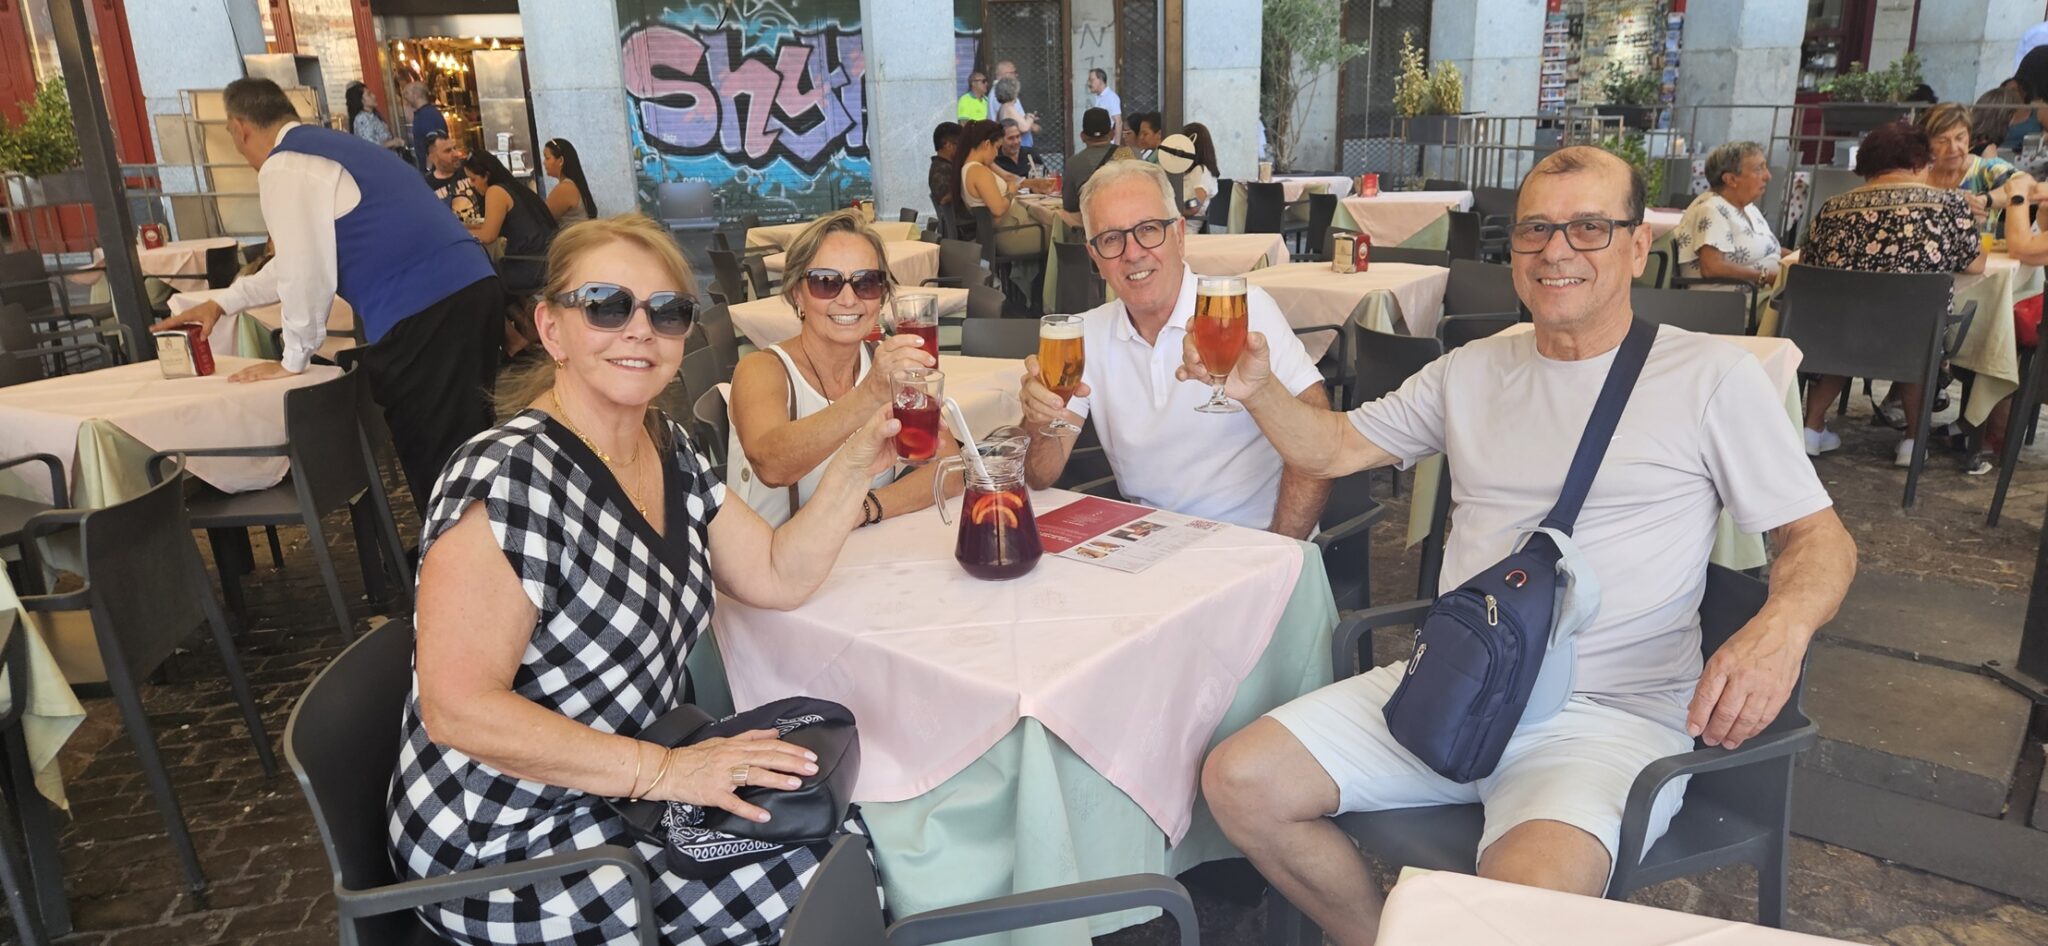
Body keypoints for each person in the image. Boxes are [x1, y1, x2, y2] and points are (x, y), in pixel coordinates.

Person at [1196, 146, 1856, 946]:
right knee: (1241, 781)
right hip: (1455, 685)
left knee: (1515, 912)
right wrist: (1258, 390)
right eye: (1535, 229)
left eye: (1589, 227)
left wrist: (1781, 629)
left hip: (1604, 719)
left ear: (1638, 246)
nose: (1556, 250)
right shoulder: (1470, 370)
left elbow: (1817, 538)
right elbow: (1332, 448)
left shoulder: (1710, 378)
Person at [391, 212, 894, 946]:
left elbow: (775, 573)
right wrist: (667, 772)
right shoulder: (507, 478)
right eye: (605, 305)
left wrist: (854, 465)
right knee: (817, 881)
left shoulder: (669, 447)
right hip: (508, 835)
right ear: (552, 329)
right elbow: (459, 710)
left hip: (629, 789)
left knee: (850, 831)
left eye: (666, 311)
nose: (640, 330)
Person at [149, 78, 502, 515]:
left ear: (240, 127)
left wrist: (292, 359)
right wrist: (223, 303)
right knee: (466, 445)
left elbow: (303, 271)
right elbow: (298, 260)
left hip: (425, 307)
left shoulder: (284, 165)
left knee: (438, 458)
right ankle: (480, 543)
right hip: (472, 286)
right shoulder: (334, 147)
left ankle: (461, 550)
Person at [1018, 160, 1330, 536]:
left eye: (1148, 229)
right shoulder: (1084, 335)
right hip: (1146, 545)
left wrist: (1284, 546)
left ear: (1180, 235)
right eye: (1112, 238)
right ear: (1095, 257)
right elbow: (1040, 474)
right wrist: (1038, 420)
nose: (1133, 252)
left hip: (1250, 540)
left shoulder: (1242, 310)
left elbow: (1319, 437)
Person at [729, 211, 949, 526]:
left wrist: (863, 509)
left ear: (882, 296)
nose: (848, 299)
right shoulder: (762, 369)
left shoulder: (884, 364)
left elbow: (949, 466)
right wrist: (869, 395)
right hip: (772, 553)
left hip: (861, 548)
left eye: (866, 282)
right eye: (825, 282)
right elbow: (771, 465)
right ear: (797, 294)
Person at [1798, 120, 1984, 465]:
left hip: (1834, 336)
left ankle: (1810, 429)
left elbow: (1808, 265)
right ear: (1918, 161)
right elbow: (1974, 264)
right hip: (1912, 338)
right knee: (1917, 328)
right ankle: (1913, 441)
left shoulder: (1832, 208)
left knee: (1847, 319)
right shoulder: (1950, 205)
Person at [462, 150, 560, 361]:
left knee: (483, 281)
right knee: (497, 274)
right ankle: (528, 328)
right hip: (546, 260)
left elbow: (488, 235)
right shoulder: (515, 188)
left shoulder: (495, 191)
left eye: (473, 179)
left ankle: (514, 339)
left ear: (486, 175)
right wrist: (467, 228)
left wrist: (458, 231)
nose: (472, 185)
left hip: (531, 266)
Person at [1672, 141, 1787, 292]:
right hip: (1733, 300)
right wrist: (1766, 277)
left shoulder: (1748, 208)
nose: (1768, 176)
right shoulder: (1712, 209)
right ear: (1731, 180)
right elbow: (1712, 268)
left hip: (1762, 292)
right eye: (1759, 169)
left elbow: (1770, 249)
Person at [958, 119, 1048, 259]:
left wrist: (1032, 183)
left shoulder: (973, 167)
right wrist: (1011, 191)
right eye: (997, 147)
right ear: (987, 144)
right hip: (1010, 233)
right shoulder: (978, 171)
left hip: (1010, 228)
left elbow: (1008, 177)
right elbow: (998, 209)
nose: (996, 153)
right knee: (1061, 233)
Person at [1064, 108, 1118, 215]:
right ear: (1112, 134)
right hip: (1128, 218)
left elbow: (1069, 205)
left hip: (1092, 220)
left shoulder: (1073, 163)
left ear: (1082, 136)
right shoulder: (1128, 154)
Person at [542, 138, 597, 225]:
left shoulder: (565, 189)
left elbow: (541, 220)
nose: (544, 162)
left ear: (561, 160)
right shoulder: (572, 185)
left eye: (547, 158)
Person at [423, 132, 479, 217]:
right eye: (448, 151)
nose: (456, 154)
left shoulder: (470, 170)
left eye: (454, 148)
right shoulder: (426, 187)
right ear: (432, 157)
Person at [1176, 123, 1221, 219]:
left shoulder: (1200, 171)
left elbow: (1196, 203)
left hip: (1187, 224)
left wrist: (1176, 208)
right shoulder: (1193, 171)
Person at [345, 81, 404, 155]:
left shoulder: (372, 115)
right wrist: (391, 143)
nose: (374, 96)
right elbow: (369, 146)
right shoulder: (362, 119)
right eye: (369, 94)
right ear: (361, 100)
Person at [403, 81, 447, 171]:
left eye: (407, 93)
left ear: (415, 94)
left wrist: (428, 169)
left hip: (435, 169)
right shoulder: (424, 113)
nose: (405, 97)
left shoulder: (426, 115)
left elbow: (434, 143)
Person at [929, 121, 964, 234]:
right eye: (961, 145)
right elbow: (944, 199)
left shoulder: (945, 167)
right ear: (948, 145)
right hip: (965, 230)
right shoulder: (941, 170)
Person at [994, 61, 1036, 152]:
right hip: (1020, 148)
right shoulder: (1009, 108)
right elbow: (1024, 128)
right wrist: (1030, 118)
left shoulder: (1003, 108)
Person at [1087, 68, 1122, 142]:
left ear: (1100, 80)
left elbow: (1118, 122)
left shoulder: (1111, 97)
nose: (1089, 83)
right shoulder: (1099, 97)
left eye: (1091, 80)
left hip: (1108, 144)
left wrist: (1116, 145)